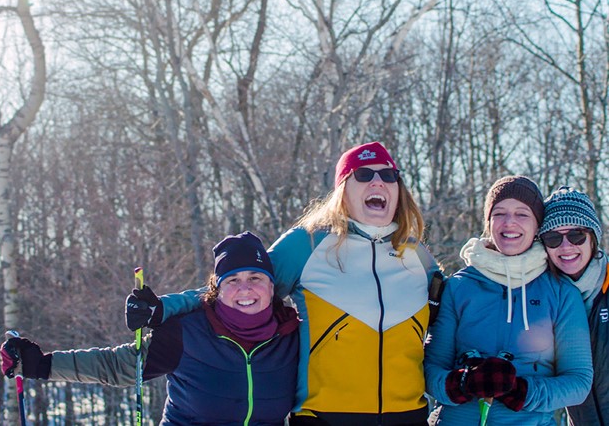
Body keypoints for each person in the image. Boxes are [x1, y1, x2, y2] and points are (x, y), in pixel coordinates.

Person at [131, 141, 441, 425]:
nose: (378, 182)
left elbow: (454, 315)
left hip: (408, 416)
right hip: (324, 416)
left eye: (388, 175)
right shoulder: (307, 245)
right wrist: (162, 308)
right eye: (363, 174)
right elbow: (239, 288)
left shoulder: (419, 257)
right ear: (342, 191)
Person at [0, 231, 300, 426]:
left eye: (256, 278)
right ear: (217, 290)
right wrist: (39, 364)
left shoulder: (292, 337)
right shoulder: (187, 332)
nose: (245, 289)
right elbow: (116, 366)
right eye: (233, 280)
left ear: (272, 287)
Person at [424, 175, 593, 425]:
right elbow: (430, 370)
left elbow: (578, 381)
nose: (509, 222)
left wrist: (522, 391)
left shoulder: (561, 293)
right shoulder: (459, 286)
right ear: (488, 222)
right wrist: (461, 383)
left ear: (537, 226)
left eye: (522, 214)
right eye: (499, 213)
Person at [539, 186, 609, 424]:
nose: (566, 246)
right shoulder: (544, 299)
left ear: (593, 238)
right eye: (553, 238)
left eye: (576, 235)